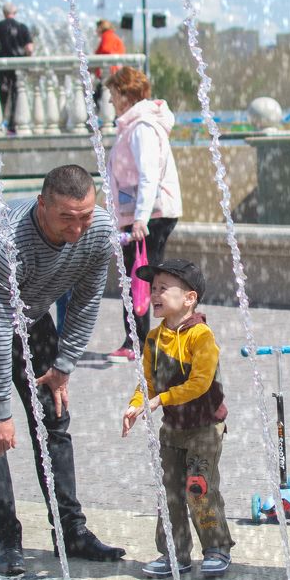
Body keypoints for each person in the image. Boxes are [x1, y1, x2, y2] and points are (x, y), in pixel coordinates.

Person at [0, 164, 125, 576]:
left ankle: (71, 532)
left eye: (85, 217)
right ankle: (7, 540)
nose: (78, 230)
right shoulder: (6, 239)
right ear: (42, 205)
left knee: (54, 418)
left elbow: (86, 299)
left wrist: (64, 365)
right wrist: (0, 410)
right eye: (67, 219)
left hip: (32, 314)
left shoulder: (98, 230)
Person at [121, 259, 234, 578]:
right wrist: (136, 404)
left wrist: (159, 400)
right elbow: (148, 382)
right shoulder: (154, 339)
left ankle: (216, 548)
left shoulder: (202, 336)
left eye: (163, 288)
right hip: (173, 428)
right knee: (169, 490)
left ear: (189, 297)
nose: (154, 294)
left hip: (204, 427)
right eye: (152, 288)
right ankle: (174, 551)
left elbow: (199, 384)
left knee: (198, 487)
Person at [105, 66, 182, 362]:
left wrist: (140, 219)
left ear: (125, 95)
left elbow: (148, 175)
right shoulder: (135, 125)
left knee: (142, 276)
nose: (111, 101)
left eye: (113, 94)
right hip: (145, 213)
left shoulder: (141, 128)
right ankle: (142, 341)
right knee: (141, 276)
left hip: (150, 215)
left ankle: (142, 343)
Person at [0, 2, 34, 135]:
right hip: (18, 66)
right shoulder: (22, 27)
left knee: (2, 95)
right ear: (15, 12)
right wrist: (29, 59)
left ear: (3, 13)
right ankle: (12, 125)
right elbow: (29, 48)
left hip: (2, 65)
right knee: (17, 95)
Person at [93, 19, 126, 110]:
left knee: (98, 97)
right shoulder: (112, 36)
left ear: (101, 28)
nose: (96, 31)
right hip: (114, 71)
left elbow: (105, 50)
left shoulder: (107, 36)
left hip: (109, 72)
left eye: (97, 28)